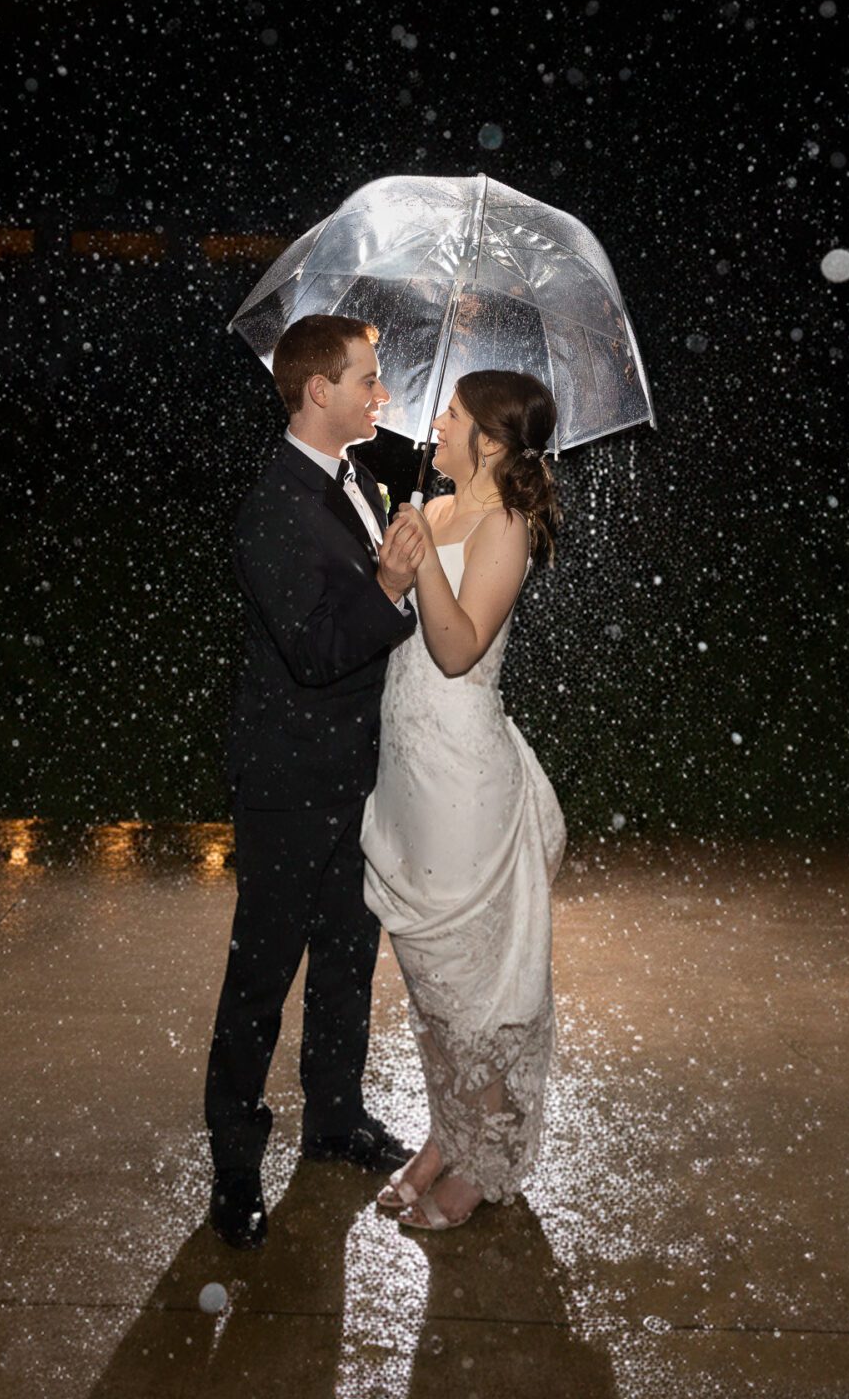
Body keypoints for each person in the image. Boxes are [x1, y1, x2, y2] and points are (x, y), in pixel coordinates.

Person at [205, 313, 427, 1249]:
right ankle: (235, 1165)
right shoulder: (272, 506)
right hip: (291, 780)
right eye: (366, 379)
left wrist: (405, 566)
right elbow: (313, 651)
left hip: (361, 773)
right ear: (316, 392)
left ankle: (335, 1120)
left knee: (347, 957)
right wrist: (384, 588)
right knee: (263, 974)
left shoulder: (362, 479)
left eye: (378, 378)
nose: (381, 393)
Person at [361, 369, 566, 1232]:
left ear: (487, 438)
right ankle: (447, 1137)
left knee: (466, 985)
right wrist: (393, 564)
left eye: (448, 415)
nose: (433, 426)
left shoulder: (504, 526)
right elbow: (394, 621)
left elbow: (455, 647)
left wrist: (423, 566)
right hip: (407, 769)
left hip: (462, 779)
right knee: (424, 977)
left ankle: (483, 1162)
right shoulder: (439, 512)